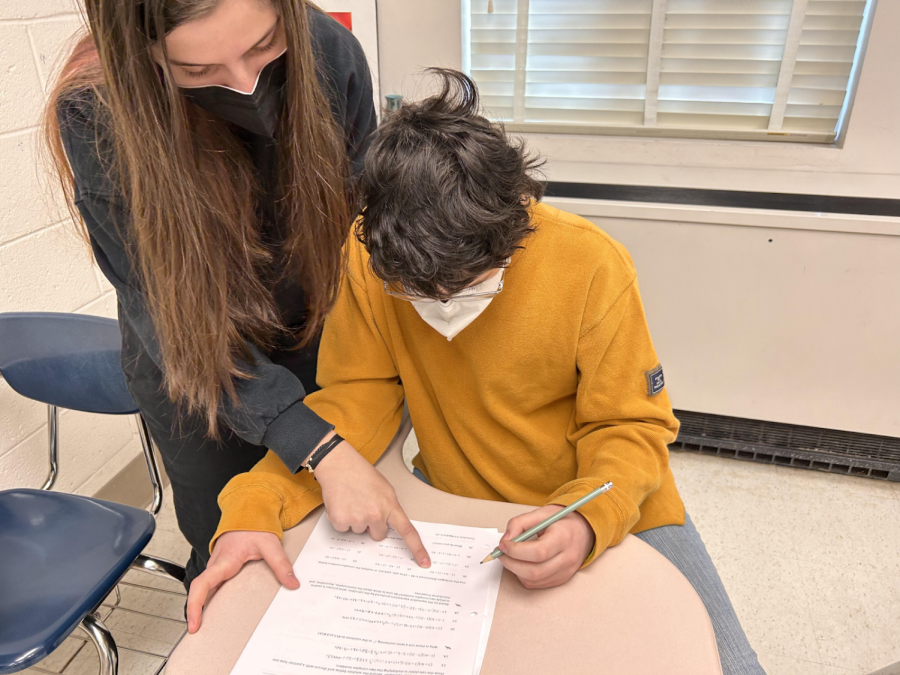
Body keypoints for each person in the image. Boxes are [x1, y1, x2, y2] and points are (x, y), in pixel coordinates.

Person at [187, 70, 764, 674]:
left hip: (604, 498)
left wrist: (590, 521)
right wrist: (255, 505)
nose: (444, 305)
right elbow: (355, 400)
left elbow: (633, 426)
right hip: (464, 515)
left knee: (730, 664)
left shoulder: (590, 263)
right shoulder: (366, 257)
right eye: (418, 292)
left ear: (515, 222)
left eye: (466, 285)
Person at [43, 0, 430, 593]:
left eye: (262, 45)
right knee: (233, 550)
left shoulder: (328, 51)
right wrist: (318, 446)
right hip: (198, 372)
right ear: (142, 58)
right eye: (199, 72)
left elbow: (361, 224)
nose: (247, 86)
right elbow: (169, 315)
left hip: (316, 334)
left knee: (338, 535)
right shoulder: (98, 111)